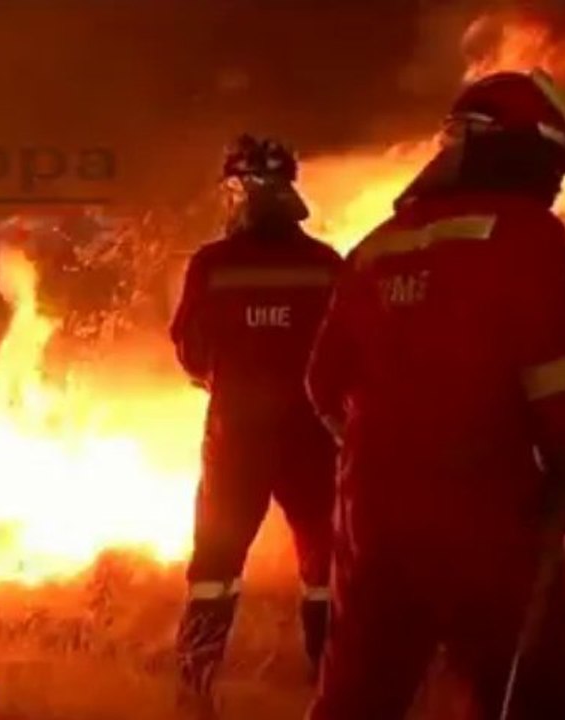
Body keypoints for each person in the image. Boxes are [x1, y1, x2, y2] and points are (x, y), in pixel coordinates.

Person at [305, 69, 565, 720]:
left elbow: (322, 383)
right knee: (525, 691)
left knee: (357, 694)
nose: (554, 188)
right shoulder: (523, 235)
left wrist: (384, 447)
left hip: (371, 517)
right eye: (552, 169)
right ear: (522, 153)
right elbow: (552, 368)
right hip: (486, 510)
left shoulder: (374, 247)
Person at [170, 135, 343, 707]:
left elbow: (190, 350)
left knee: (217, 560)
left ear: (237, 190)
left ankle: (196, 681)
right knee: (326, 562)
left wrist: (226, 379)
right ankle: (330, 683)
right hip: (313, 435)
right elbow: (349, 348)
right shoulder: (325, 263)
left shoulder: (213, 264)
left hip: (236, 436)